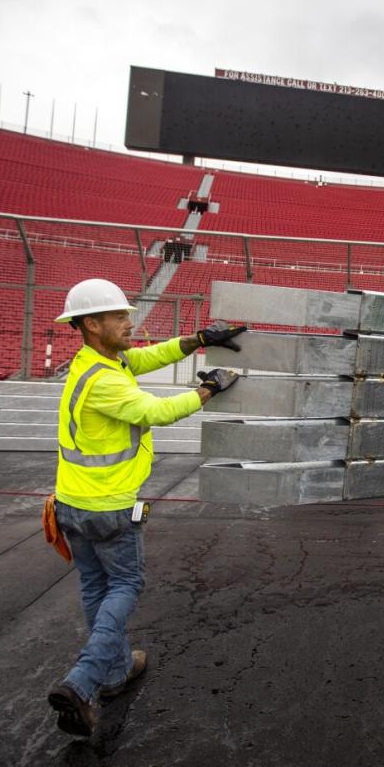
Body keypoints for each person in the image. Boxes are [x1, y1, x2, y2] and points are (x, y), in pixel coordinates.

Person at [44, 278, 245, 737]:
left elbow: (148, 357)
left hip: (73, 503)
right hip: (107, 508)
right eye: (118, 316)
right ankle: (83, 680)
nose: (129, 321)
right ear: (92, 324)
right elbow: (153, 412)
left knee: (97, 590)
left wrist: (198, 340)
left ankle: (114, 672)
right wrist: (209, 390)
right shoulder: (105, 384)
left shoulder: (95, 362)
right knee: (127, 584)